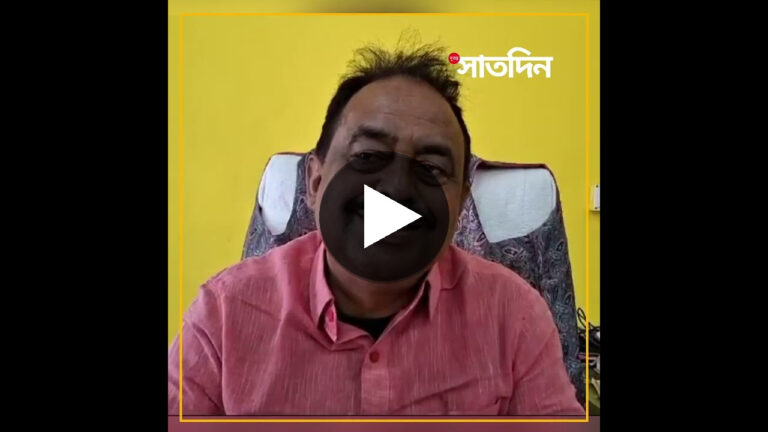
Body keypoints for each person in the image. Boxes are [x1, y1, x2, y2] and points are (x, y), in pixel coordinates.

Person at [168, 42, 584, 416]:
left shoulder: (515, 317)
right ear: (314, 182)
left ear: (460, 205)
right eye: (368, 156)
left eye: (431, 168)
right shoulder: (224, 315)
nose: (397, 190)